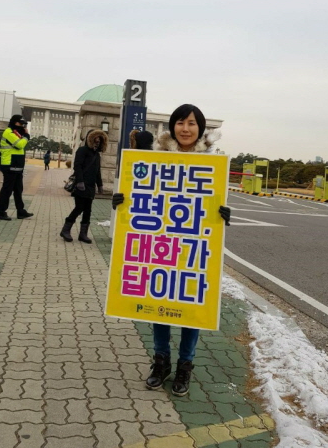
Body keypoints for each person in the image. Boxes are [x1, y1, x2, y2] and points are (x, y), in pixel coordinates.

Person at [113, 104, 230, 396]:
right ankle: (161, 363)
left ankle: (184, 367)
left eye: (192, 123)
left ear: (201, 129)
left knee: (192, 307)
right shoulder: (154, 158)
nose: (186, 128)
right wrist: (122, 199)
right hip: (161, 245)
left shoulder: (213, 162)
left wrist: (224, 212)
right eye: (180, 122)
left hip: (191, 246)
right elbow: (140, 191)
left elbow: (214, 199)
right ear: (172, 126)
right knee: (160, 304)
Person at [60, 129, 108, 243]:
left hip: (91, 186)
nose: (97, 143)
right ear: (90, 139)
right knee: (79, 207)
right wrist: (80, 181)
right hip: (81, 185)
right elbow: (78, 166)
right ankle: (65, 230)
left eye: (99, 141)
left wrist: (100, 185)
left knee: (88, 210)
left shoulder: (97, 155)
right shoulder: (82, 150)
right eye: (95, 140)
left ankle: (83, 234)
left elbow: (98, 171)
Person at [0, 115, 34, 221]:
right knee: (7, 190)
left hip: (17, 165)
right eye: (20, 123)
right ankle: (1, 212)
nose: (22, 125)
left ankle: (20, 211)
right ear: (15, 122)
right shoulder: (9, 132)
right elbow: (20, 145)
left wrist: (24, 135)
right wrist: (26, 136)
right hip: (9, 165)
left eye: (23, 124)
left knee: (18, 190)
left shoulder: (17, 132)